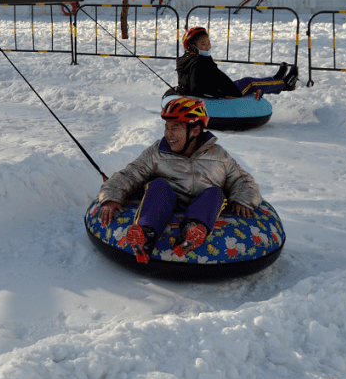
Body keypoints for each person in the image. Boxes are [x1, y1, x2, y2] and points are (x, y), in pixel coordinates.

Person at [96, 97, 262, 263]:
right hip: (167, 201)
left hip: (202, 205)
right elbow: (131, 174)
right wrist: (111, 196)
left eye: (175, 128)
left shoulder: (219, 156)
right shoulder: (157, 153)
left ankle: (193, 231)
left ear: (195, 131)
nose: (169, 134)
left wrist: (243, 200)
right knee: (158, 185)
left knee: (216, 193)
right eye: (167, 127)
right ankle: (145, 234)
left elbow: (242, 179)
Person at [175, 27, 297, 98]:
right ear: (192, 46)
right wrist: (221, 94)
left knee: (246, 81)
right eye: (203, 44)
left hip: (221, 87)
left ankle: (275, 79)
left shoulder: (188, 59)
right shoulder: (198, 63)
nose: (207, 47)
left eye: (208, 43)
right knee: (250, 82)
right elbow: (196, 88)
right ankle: (285, 84)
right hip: (227, 92)